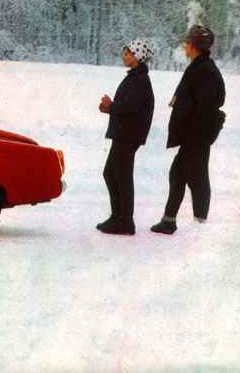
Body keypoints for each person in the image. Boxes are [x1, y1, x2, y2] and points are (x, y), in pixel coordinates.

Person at [151, 25, 226, 235]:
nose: (185, 45)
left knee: (196, 177)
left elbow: (206, 107)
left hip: (197, 135)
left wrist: (192, 133)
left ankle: (198, 225)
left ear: (193, 46)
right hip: (194, 135)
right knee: (181, 174)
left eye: (187, 42)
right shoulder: (200, 67)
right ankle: (172, 221)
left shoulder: (204, 70)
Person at [97, 39, 155, 235]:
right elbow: (127, 106)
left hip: (128, 136)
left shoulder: (140, 81)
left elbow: (130, 107)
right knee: (112, 174)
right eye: (125, 52)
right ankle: (118, 217)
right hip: (124, 134)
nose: (125, 56)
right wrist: (110, 108)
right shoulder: (134, 78)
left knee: (120, 175)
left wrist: (111, 107)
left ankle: (125, 221)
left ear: (138, 57)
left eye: (129, 53)